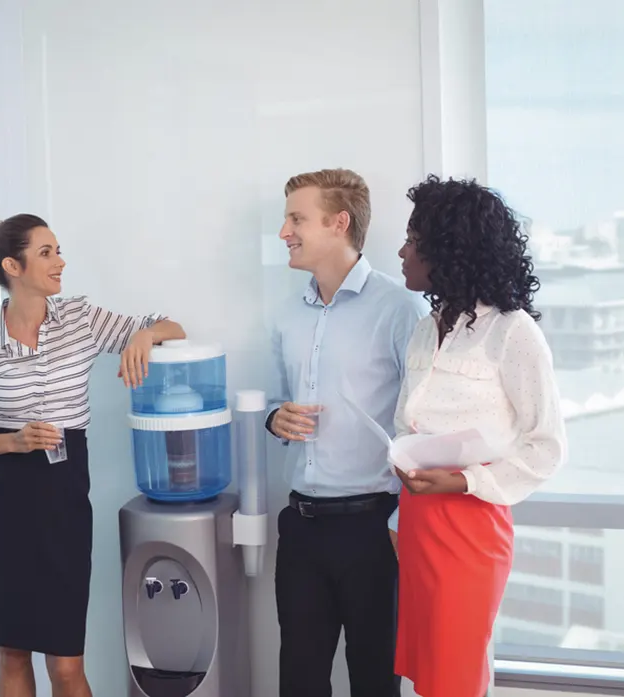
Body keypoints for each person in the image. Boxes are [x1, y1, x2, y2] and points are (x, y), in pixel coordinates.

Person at [0, 214, 185, 697]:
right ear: (13, 265)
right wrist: (14, 441)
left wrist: (142, 335)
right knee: (12, 653)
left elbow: (173, 328)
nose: (61, 261)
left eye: (58, 250)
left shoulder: (80, 318)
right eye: (47, 253)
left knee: (66, 662)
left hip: (62, 501)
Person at [391, 175, 567, 697]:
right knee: (426, 675)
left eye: (413, 240)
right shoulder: (428, 328)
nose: (401, 251)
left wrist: (461, 481)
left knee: (456, 676)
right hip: (416, 522)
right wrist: (402, 507)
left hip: (470, 526)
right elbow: (410, 424)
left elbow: (547, 446)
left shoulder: (513, 333)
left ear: (447, 248)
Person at [266, 169, 426, 697]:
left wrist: (404, 520)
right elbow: (273, 396)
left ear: (339, 223)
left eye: (296, 218)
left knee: (375, 683)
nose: (284, 230)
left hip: (375, 532)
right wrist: (275, 417)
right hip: (302, 527)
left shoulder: (402, 309)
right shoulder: (288, 313)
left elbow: (423, 424)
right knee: (300, 683)